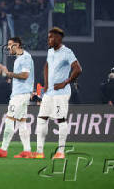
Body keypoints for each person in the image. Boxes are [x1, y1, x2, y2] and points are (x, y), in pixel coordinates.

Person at [33, 27, 82, 159]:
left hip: (61, 93)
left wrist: (65, 82)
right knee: (41, 118)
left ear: (58, 38)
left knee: (61, 120)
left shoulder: (67, 52)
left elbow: (78, 69)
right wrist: (46, 84)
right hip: (49, 93)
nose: (49, 40)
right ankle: (39, 152)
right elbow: (47, 66)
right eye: (48, 37)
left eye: (51, 37)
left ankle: (60, 152)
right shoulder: (50, 52)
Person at [0, 37, 34, 158]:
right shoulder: (20, 58)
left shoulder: (25, 57)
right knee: (21, 122)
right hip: (23, 94)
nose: (8, 47)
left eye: (10, 44)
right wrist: (4, 73)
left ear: (17, 44)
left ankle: (3, 149)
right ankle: (27, 150)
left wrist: (8, 73)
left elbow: (25, 75)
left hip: (20, 95)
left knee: (9, 119)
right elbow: (17, 76)